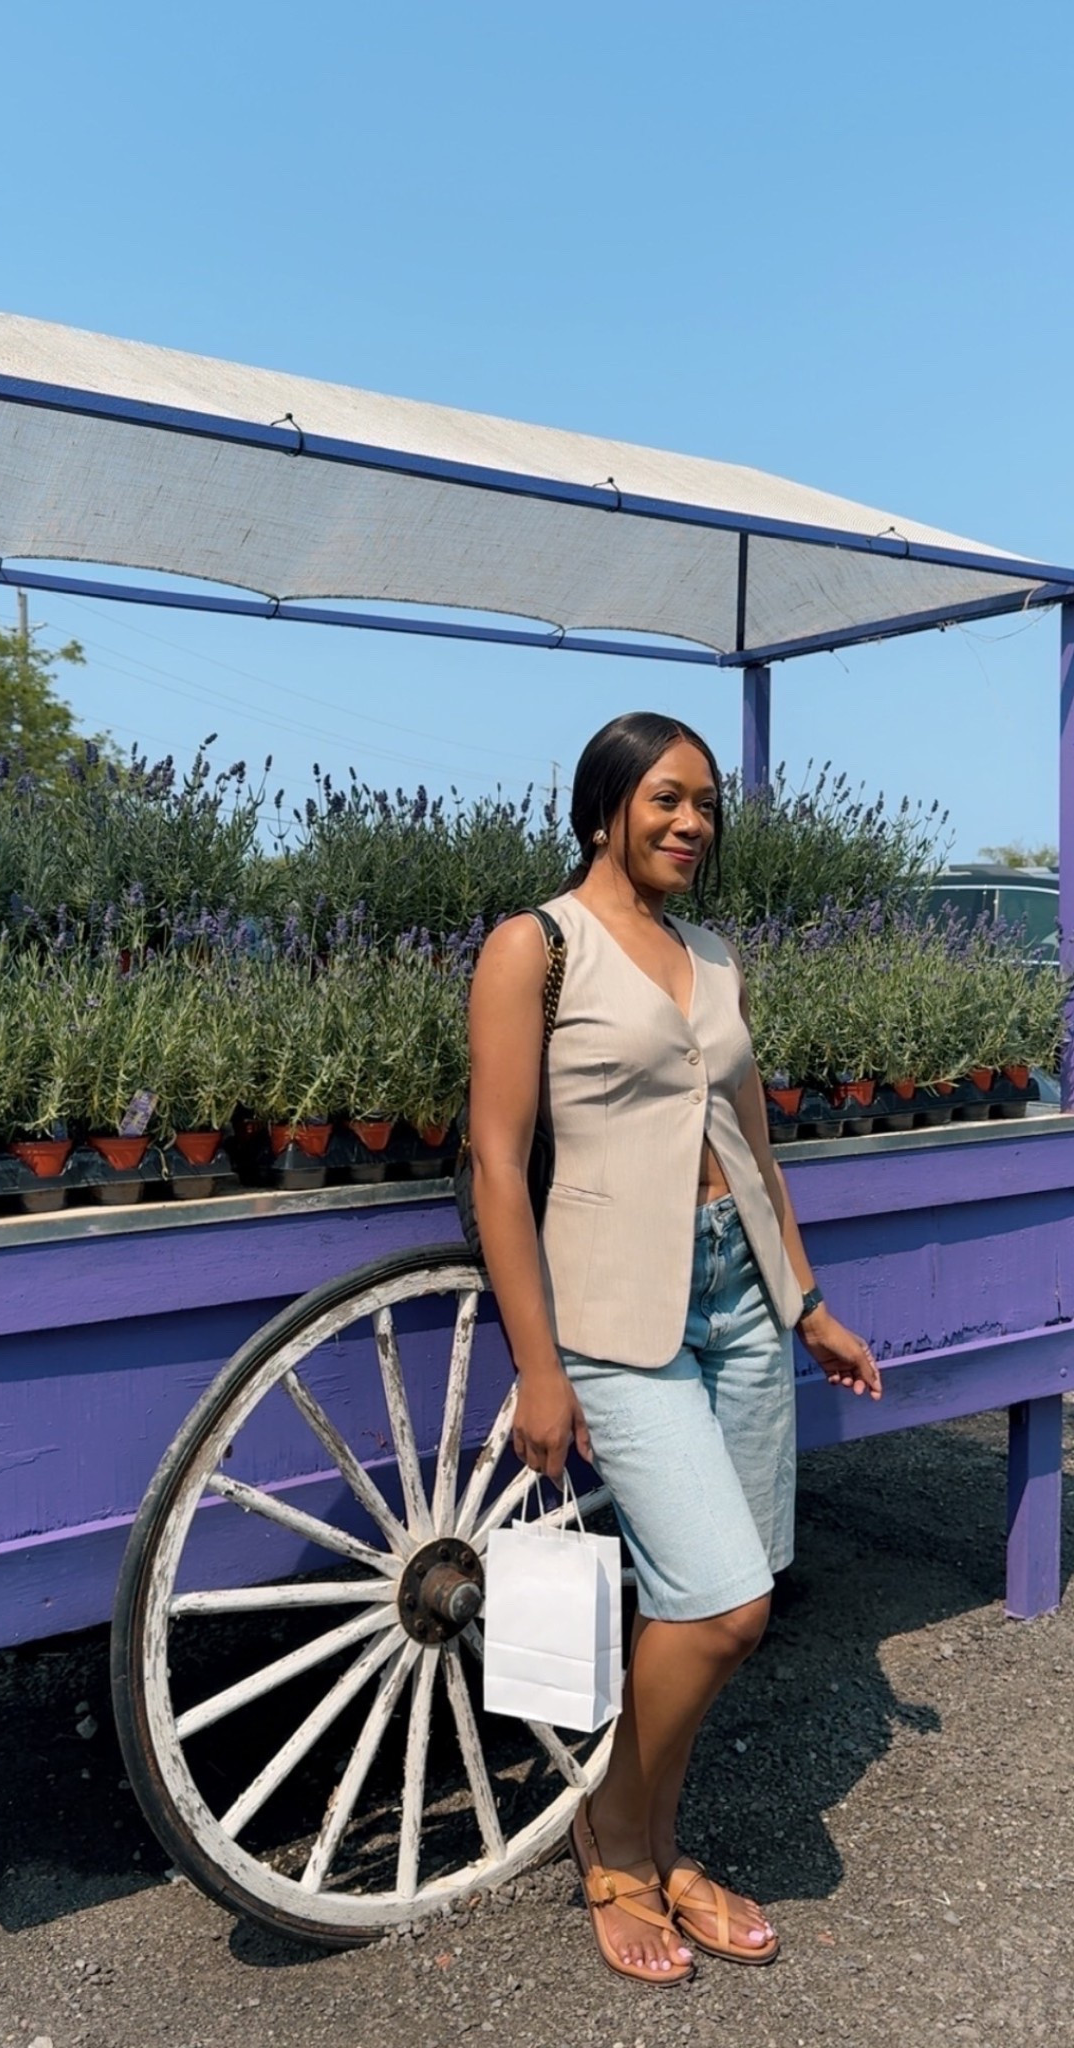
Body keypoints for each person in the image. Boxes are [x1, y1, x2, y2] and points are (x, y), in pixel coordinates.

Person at [467, 712, 881, 1989]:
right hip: (615, 1313)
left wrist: (805, 1298)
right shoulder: (535, 946)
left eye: (705, 803)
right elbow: (494, 1159)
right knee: (724, 1599)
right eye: (666, 798)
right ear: (606, 807)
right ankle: (614, 1836)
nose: (692, 822)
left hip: (742, 1299)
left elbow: (755, 1148)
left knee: (719, 1606)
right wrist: (538, 1363)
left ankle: (656, 1838)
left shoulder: (712, 953)